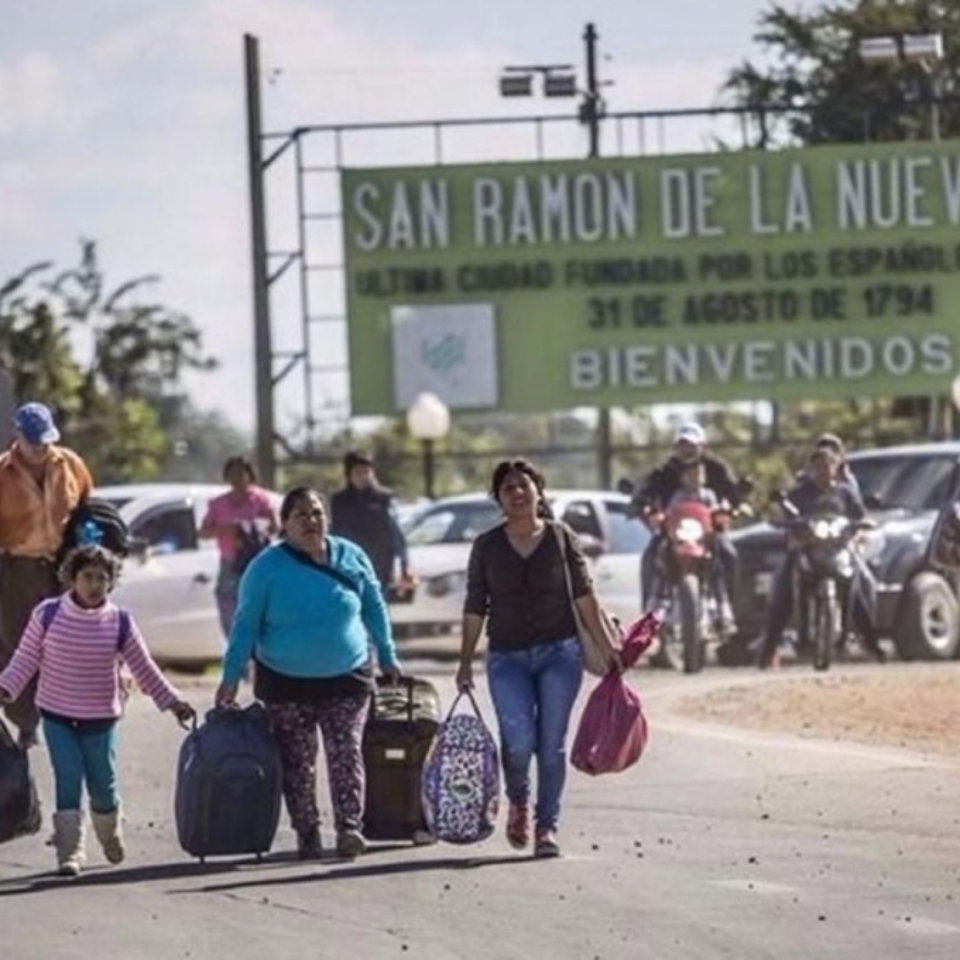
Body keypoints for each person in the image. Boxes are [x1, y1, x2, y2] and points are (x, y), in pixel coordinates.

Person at [214, 485, 402, 860]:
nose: (310, 521)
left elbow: (374, 605)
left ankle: (349, 827)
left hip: (347, 675)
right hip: (285, 682)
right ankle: (307, 829)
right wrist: (231, 674)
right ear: (284, 524)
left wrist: (387, 653)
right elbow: (245, 623)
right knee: (298, 762)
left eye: (316, 512)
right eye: (300, 514)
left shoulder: (351, 556)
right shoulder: (266, 567)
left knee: (346, 753)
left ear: (326, 518)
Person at [456, 459, 621, 859]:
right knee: (517, 742)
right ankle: (519, 802)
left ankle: (547, 826)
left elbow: (585, 597)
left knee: (550, 746)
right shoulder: (487, 545)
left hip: (559, 653)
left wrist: (607, 647)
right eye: (507, 487)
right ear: (498, 498)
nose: (516, 492)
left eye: (523, 485)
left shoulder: (562, 538)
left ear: (538, 491)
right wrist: (464, 661)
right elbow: (475, 604)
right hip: (506, 657)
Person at [0, 544, 196, 876]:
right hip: (57, 714)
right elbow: (25, 658)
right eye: (87, 577)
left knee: (103, 784)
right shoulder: (47, 615)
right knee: (68, 781)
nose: (94, 585)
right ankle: (70, 852)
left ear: (111, 583)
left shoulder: (120, 622)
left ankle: (109, 832)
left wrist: (173, 701)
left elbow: (144, 667)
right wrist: (5, 688)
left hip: (100, 718)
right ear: (71, 579)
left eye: (102, 579)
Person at [0, 402, 94, 749]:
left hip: (62, 566)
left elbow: (87, 506)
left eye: (45, 441)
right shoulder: (3, 472)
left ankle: (67, 716)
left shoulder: (70, 464)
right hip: (17, 568)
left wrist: (88, 540)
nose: (41, 449)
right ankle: (25, 723)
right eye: (33, 442)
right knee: (18, 646)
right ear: (18, 438)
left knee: (66, 643)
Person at [757, 447, 884, 669]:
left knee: (859, 588)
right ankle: (768, 651)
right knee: (782, 592)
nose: (823, 471)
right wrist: (790, 527)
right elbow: (786, 514)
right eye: (818, 466)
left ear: (836, 468)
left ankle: (871, 644)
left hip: (838, 549)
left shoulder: (845, 493)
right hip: (806, 549)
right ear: (810, 469)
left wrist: (862, 525)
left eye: (827, 466)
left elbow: (860, 515)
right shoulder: (799, 493)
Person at [633, 421, 748, 609]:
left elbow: (733, 492)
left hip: (709, 531)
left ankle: (728, 608)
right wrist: (641, 506)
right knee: (650, 555)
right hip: (671, 531)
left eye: (692, 445)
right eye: (682, 445)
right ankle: (648, 610)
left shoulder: (716, 469)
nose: (687, 450)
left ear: (702, 446)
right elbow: (645, 492)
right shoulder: (664, 471)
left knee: (729, 554)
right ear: (675, 447)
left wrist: (738, 505)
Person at [199, 456, 279, 639]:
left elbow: (275, 526)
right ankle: (237, 650)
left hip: (255, 561)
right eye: (232, 473)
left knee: (258, 609)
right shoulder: (218, 504)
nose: (237, 477)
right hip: (229, 562)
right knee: (228, 608)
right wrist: (225, 528)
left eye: (241, 472)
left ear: (250, 475)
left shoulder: (260, 500)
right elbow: (203, 532)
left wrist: (250, 528)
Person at [329, 450, 412, 600]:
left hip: (380, 564)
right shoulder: (339, 501)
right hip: (350, 564)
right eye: (358, 472)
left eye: (367, 471)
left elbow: (396, 533)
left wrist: (404, 566)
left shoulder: (384, 498)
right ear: (349, 474)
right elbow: (335, 534)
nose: (364, 476)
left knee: (378, 606)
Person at [666, 459, 736, 633]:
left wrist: (723, 513)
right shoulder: (678, 496)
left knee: (723, 556)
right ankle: (659, 604)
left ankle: (725, 605)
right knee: (661, 555)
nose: (694, 478)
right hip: (683, 539)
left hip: (705, 539)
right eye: (690, 474)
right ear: (682, 478)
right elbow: (671, 512)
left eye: (698, 474)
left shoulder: (709, 495)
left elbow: (716, 512)